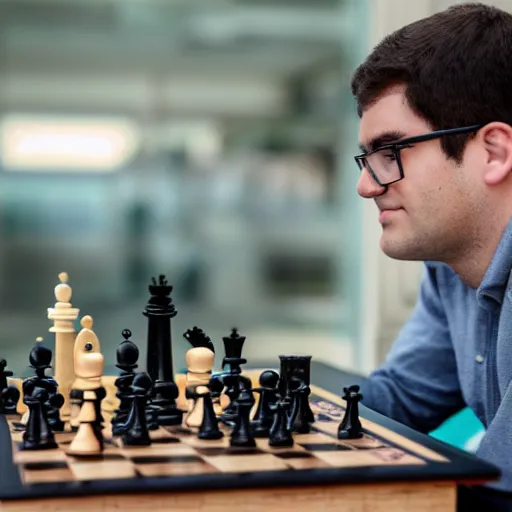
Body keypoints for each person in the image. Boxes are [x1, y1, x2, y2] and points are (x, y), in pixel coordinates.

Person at [351, 2, 512, 508]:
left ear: (493, 153)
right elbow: (398, 400)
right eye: (367, 160)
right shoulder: (453, 268)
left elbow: (494, 497)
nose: (364, 186)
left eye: (389, 154)